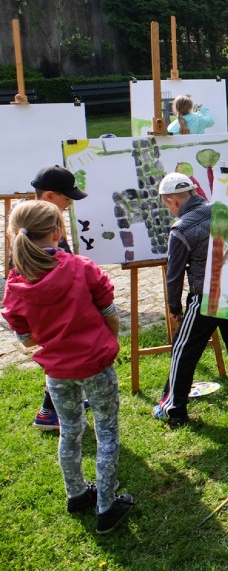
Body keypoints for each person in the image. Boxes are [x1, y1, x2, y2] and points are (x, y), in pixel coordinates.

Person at [1, 201, 135, 533]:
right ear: (59, 231)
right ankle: (106, 506)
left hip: (56, 371)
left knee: (70, 432)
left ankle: (76, 494)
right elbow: (110, 312)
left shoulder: (17, 282)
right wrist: (108, 341)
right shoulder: (80, 267)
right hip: (96, 364)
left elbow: (27, 339)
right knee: (106, 434)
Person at [152, 173, 228, 427]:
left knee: (183, 350)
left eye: (166, 204)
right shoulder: (224, 211)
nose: (168, 209)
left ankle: (174, 408)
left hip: (205, 296)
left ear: (172, 200)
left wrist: (174, 307)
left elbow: (174, 274)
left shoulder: (181, 229)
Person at [25, 166, 89, 430]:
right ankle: (48, 412)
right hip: (53, 308)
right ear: (50, 196)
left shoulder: (41, 221)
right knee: (60, 358)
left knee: (64, 357)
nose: (70, 203)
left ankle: (65, 401)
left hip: (56, 306)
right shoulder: (39, 229)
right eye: (67, 198)